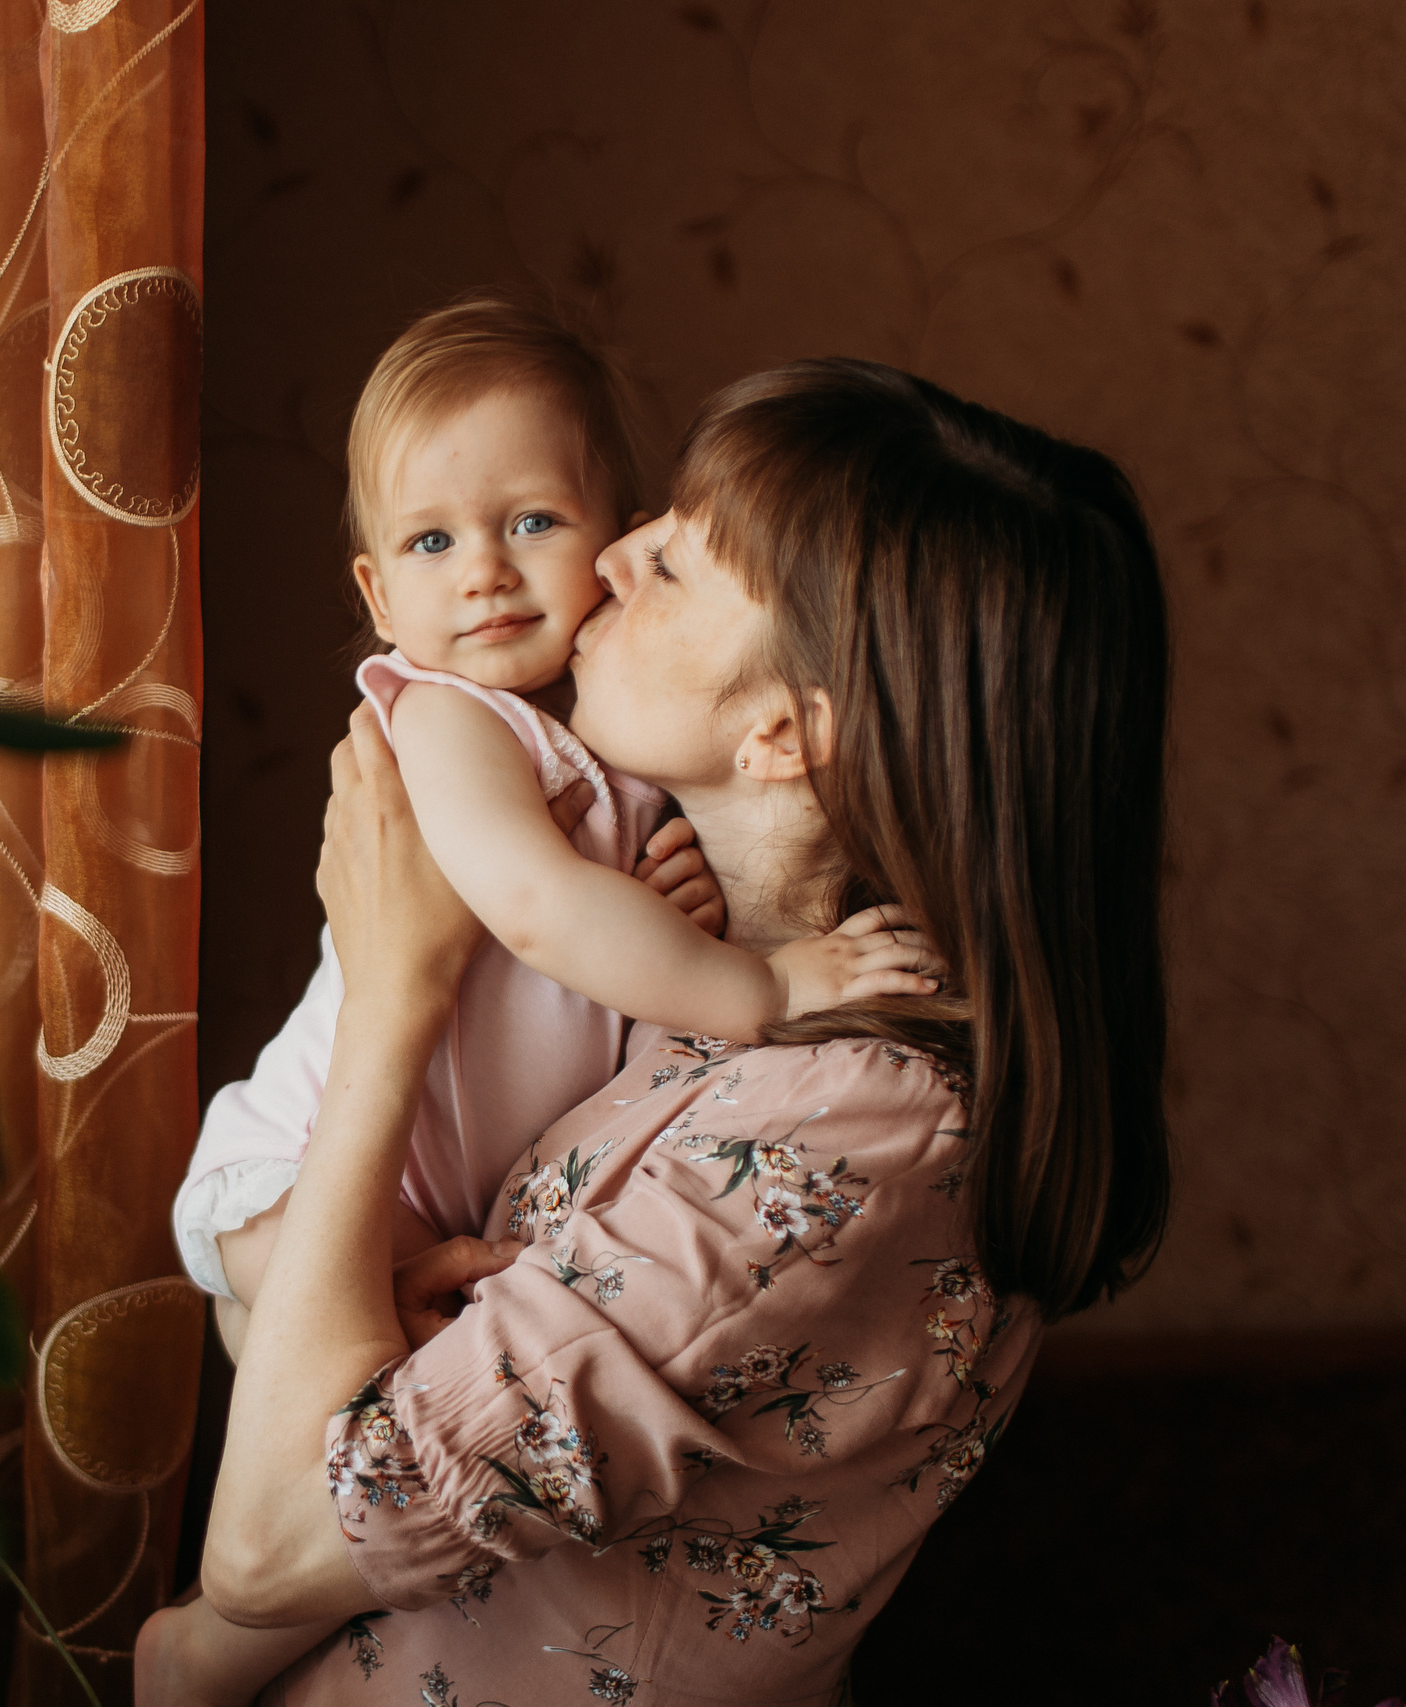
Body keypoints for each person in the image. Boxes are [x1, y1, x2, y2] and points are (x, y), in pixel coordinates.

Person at [143, 359, 1173, 1705]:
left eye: (677, 559)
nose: (614, 550)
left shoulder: (856, 1123)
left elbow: (264, 1549)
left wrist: (395, 993)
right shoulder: (696, 974)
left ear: (784, 732)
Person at [171, 300, 937, 1367]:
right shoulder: (446, 719)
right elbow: (536, 909)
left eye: (532, 522)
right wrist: (763, 986)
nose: (484, 569)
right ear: (378, 594)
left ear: (612, 533)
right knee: (367, 1353)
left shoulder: (614, 747)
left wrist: (660, 902)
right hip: (304, 1167)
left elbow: (590, 957)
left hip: (457, 1186)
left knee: (416, 1352)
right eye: (431, 541)